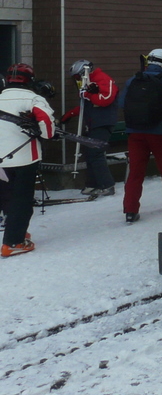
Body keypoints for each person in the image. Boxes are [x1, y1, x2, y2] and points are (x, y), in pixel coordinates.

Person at [0, 64, 56, 257]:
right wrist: (46, 135)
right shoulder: (33, 98)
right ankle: (13, 242)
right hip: (24, 157)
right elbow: (47, 126)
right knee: (22, 200)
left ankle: (16, 230)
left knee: (6, 196)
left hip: (1, 160)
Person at [119, 49, 162, 224]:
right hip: (159, 133)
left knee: (135, 173)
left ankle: (130, 210)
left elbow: (121, 103)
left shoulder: (133, 80)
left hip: (135, 132)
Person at [62, 59, 118, 196]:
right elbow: (86, 105)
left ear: (83, 72)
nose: (76, 80)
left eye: (77, 76)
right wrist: (69, 114)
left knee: (96, 153)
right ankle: (92, 184)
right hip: (92, 122)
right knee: (89, 153)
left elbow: (106, 99)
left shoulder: (102, 79)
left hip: (102, 122)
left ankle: (107, 184)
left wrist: (88, 94)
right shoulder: (87, 83)